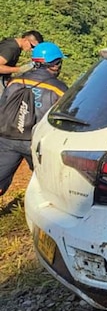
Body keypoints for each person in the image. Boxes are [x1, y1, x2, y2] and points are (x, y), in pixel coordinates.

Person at [0, 42, 68, 197]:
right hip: (36, 142)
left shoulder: (14, 82)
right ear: (55, 65)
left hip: (7, 138)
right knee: (47, 183)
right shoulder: (59, 89)